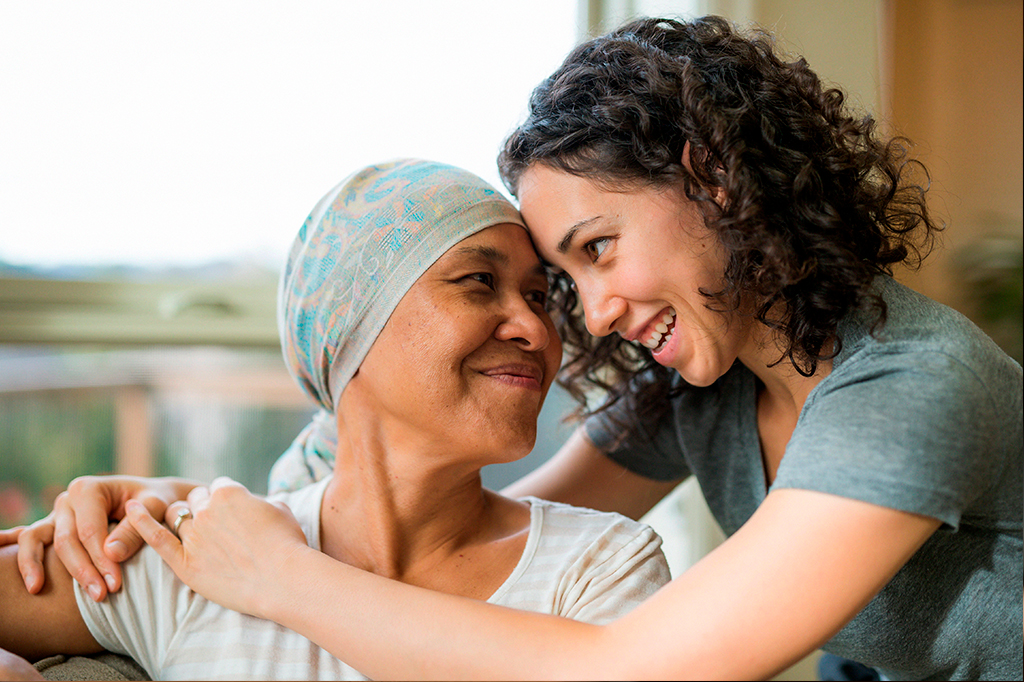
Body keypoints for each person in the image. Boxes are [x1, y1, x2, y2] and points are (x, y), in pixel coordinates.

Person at [6, 14, 1021, 681]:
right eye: (564, 281)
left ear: (714, 180)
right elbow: (470, 525)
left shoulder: (911, 387)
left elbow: (638, 670)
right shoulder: (707, 384)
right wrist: (181, 514)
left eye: (595, 251)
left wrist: (274, 577)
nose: (583, 314)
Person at [0, 159, 671, 680]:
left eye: (536, 295)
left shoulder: (600, 567)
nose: (536, 326)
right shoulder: (195, 554)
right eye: (477, 282)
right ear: (353, 328)